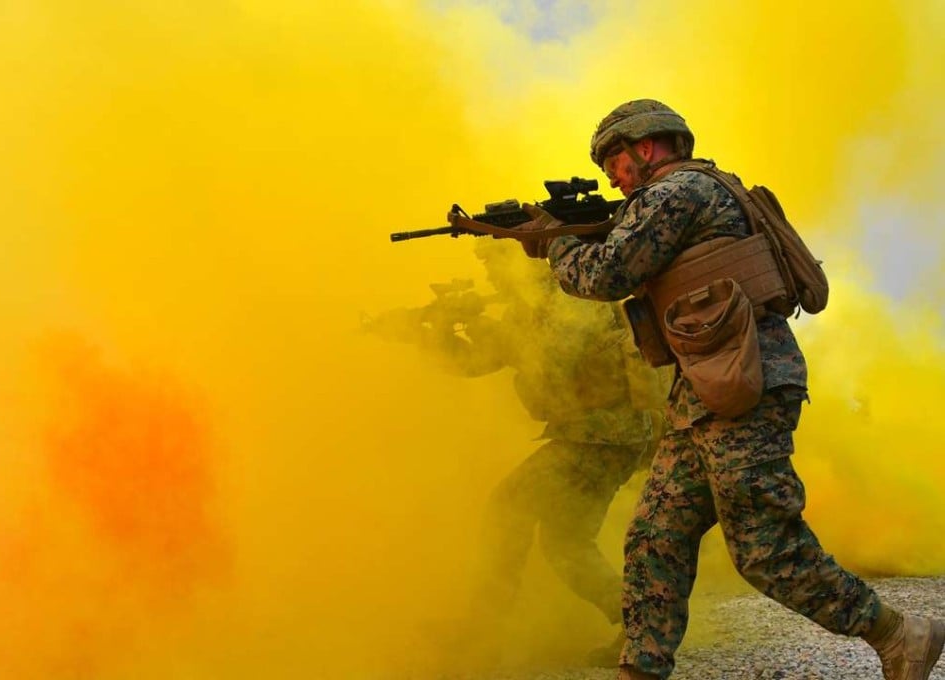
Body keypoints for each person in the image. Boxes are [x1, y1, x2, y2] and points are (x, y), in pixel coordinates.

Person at [512, 98, 945, 680]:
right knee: (653, 537)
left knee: (764, 547)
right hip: (707, 392)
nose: (609, 178)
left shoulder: (677, 194)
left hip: (743, 385)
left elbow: (605, 274)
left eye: (612, 162)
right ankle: (640, 668)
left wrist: (557, 243)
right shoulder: (698, 192)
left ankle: (899, 634)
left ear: (645, 148)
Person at [364, 238, 671, 667]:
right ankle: (640, 629)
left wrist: (486, 327)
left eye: (495, 267)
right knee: (566, 542)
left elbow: (554, 358)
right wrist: (433, 333)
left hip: (602, 435)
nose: (491, 278)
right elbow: (474, 363)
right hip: (598, 436)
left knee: (506, 508)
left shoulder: (569, 296)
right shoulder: (530, 309)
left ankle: (483, 631)